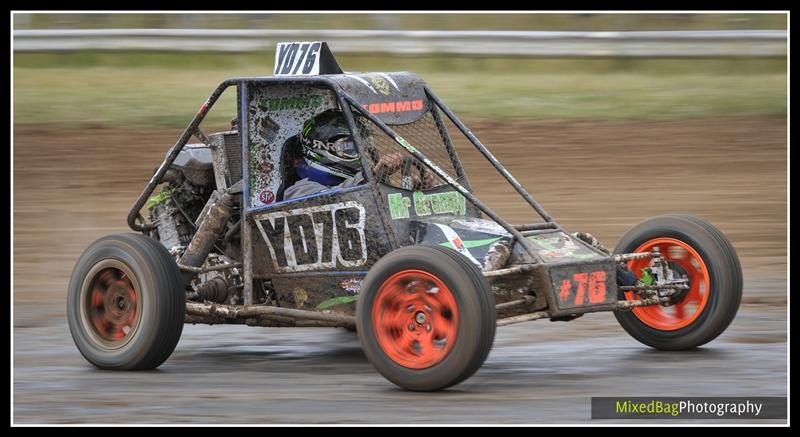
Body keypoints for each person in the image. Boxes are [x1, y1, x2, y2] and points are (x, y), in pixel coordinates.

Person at [282, 109, 432, 200]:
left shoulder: (356, 183)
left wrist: (415, 193)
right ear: (321, 148)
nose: (361, 154)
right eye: (350, 147)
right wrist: (371, 175)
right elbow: (336, 200)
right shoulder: (297, 191)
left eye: (362, 146)